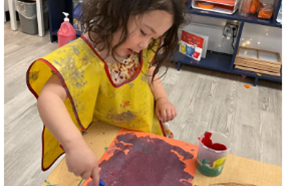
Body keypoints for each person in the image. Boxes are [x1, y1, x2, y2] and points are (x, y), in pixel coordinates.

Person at [26, 0, 186, 185]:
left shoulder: (137, 46)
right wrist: (74, 145)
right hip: (107, 144)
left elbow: (147, 70)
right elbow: (50, 97)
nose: (145, 44)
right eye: (143, 32)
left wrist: (162, 98)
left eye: (153, 38)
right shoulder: (84, 55)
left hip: (143, 133)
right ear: (116, 11)